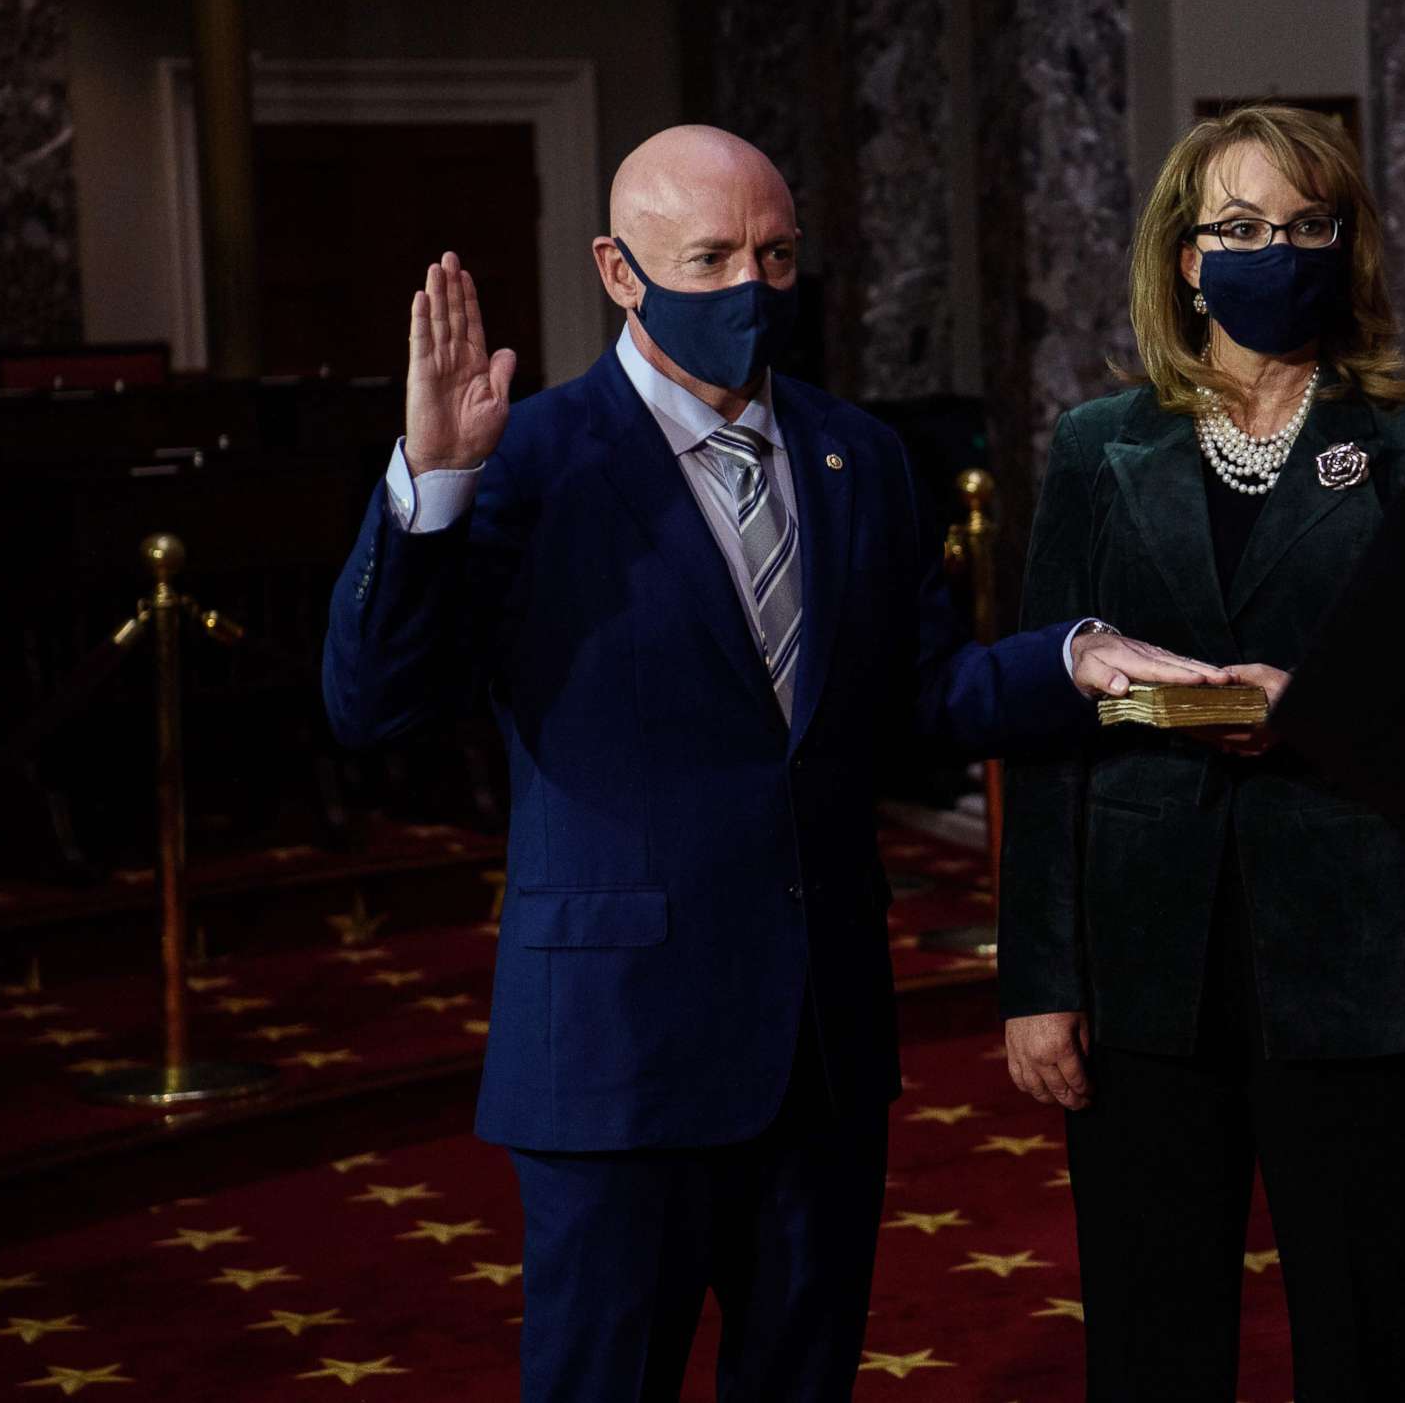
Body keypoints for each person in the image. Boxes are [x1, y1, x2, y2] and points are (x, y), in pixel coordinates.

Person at [321, 124, 1224, 1403]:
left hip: (822, 1040)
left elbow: (915, 699)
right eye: (712, 258)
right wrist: (431, 485)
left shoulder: (862, 456)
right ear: (619, 270)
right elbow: (373, 704)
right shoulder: (525, 460)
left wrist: (1070, 660)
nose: (753, 286)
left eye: (778, 253)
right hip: (617, 1056)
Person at [996, 103, 1405, 1400]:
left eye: (1309, 225)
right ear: (1188, 257)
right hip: (1145, 959)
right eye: (1246, 227)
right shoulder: (1103, 448)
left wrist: (1315, 704)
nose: (1280, 250)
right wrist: (1039, 974)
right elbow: (1042, 720)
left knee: (1372, 1336)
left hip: (1352, 951)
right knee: (1153, 1340)